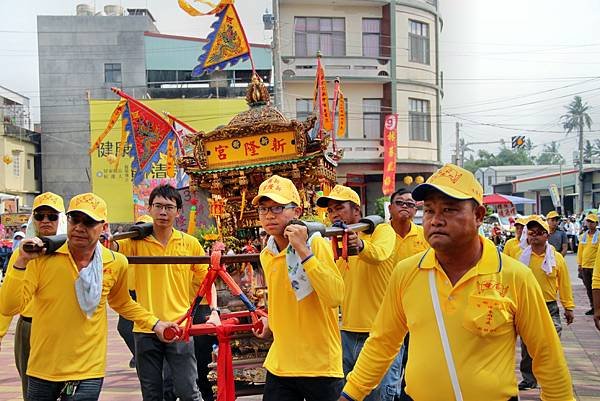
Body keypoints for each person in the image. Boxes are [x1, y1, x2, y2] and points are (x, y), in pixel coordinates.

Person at [337, 164, 574, 401]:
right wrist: (350, 395)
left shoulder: (515, 276)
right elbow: (382, 343)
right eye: (429, 211)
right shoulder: (407, 273)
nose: (436, 220)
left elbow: (547, 355)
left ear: (478, 215)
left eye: (449, 210)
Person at [0, 193, 176, 401]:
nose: (80, 227)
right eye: (75, 219)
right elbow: (9, 306)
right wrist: (21, 262)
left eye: (89, 222)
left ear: (103, 226)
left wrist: (155, 324)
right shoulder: (41, 259)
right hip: (44, 367)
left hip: (89, 368)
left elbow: (122, 302)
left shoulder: (115, 262)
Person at [113, 184, 219, 401]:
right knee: (152, 394)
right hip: (145, 328)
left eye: (169, 207)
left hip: (179, 327)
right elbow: (110, 250)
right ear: (149, 209)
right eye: (158, 206)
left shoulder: (189, 244)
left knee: (188, 391)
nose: (163, 212)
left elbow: (207, 280)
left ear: (178, 212)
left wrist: (215, 310)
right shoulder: (134, 242)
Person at [252, 175, 344, 401]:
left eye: (278, 208)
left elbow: (335, 296)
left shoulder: (316, 245)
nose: (269, 215)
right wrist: (271, 322)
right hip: (281, 363)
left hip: (319, 364)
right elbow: (280, 298)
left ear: (297, 212)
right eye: (264, 209)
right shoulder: (267, 254)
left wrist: (303, 251)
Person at [316, 185, 397, 401]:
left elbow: (379, 254)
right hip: (344, 333)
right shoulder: (333, 240)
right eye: (330, 211)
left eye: (339, 208)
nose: (334, 214)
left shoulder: (382, 231)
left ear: (356, 210)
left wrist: (359, 245)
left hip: (378, 333)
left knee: (378, 396)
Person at [0, 192, 67, 400]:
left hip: (64, 328)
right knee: (32, 391)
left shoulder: (74, 252)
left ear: (62, 219)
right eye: (40, 216)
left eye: (52, 216)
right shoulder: (21, 254)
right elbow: (8, 299)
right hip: (29, 328)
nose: (45, 221)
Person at [515, 215, 575, 390]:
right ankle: (529, 378)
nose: (534, 236)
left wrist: (568, 307)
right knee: (527, 345)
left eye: (539, 233)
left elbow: (564, 284)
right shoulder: (521, 257)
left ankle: (552, 377)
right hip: (527, 306)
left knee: (552, 341)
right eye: (531, 232)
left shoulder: (556, 258)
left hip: (549, 306)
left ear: (546, 235)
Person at [387, 188, 429, 400]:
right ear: (390, 208)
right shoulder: (380, 235)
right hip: (387, 309)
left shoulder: (424, 236)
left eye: (410, 204)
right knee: (389, 360)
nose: (405, 207)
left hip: (417, 309)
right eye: (400, 202)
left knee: (413, 360)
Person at [577, 213, 599, 316]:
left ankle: (598, 307)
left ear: (596, 223)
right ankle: (593, 307)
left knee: (596, 289)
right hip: (585, 266)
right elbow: (580, 251)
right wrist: (579, 265)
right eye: (588, 222)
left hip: (595, 266)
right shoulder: (583, 236)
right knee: (588, 288)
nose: (590, 224)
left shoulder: (599, 236)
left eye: (592, 222)